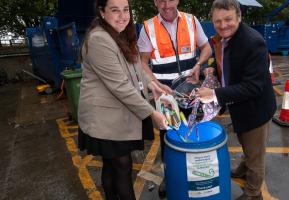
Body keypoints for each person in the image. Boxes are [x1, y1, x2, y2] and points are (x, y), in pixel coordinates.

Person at [77, 0, 168, 199]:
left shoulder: (120, 34)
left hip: (117, 115)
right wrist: (152, 113)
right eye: (115, 10)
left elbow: (136, 69)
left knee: (113, 165)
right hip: (104, 119)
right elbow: (120, 86)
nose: (122, 16)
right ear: (102, 12)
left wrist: (153, 86)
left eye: (125, 10)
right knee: (122, 166)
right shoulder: (99, 39)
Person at [196, 0, 276, 199]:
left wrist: (214, 94)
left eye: (228, 19)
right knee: (244, 141)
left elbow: (253, 86)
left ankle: (252, 193)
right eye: (218, 21)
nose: (223, 25)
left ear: (239, 17)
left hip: (255, 109)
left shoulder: (253, 41)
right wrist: (212, 68)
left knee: (255, 155)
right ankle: (242, 167)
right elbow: (224, 60)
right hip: (239, 106)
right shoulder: (224, 37)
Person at [137, 0, 212, 198]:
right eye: (161, 0)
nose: (166, 4)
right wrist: (153, 84)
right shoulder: (147, 27)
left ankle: (195, 175)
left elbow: (207, 48)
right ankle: (170, 177)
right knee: (168, 139)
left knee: (194, 132)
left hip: (192, 94)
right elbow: (142, 62)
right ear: (154, 2)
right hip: (166, 98)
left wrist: (199, 64)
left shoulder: (191, 20)